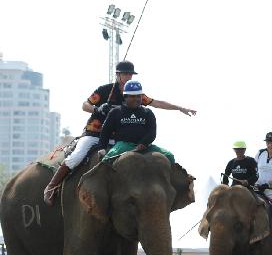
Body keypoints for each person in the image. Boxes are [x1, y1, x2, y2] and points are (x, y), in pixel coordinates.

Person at [43, 60, 196, 204]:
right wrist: (97, 108)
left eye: (131, 74)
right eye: (126, 74)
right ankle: (52, 185)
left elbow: (156, 103)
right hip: (94, 134)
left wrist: (179, 108)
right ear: (118, 75)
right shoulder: (104, 90)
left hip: (117, 138)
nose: (129, 77)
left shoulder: (135, 93)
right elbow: (84, 105)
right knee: (77, 155)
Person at [97, 80, 175, 162]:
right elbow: (105, 131)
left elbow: (152, 132)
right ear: (125, 96)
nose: (136, 99)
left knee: (169, 156)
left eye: (139, 96)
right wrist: (102, 148)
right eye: (133, 96)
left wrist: (143, 143)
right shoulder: (115, 112)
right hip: (123, 145)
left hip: (145, 147)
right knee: (106, 161)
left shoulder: (148, 112)